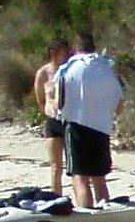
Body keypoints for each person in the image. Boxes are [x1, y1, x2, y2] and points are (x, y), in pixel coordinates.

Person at [56, 43, 127, 205]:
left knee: (79, 177)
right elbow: (120, 106)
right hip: (102, 127)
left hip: (76, 125)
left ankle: (86, 213)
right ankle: (104, 211)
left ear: (75, 48)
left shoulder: (69, 68)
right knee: (99, 178)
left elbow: (59, 102)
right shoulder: (108, 67)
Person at [32, 43, 74, 197]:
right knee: (56, 166)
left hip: (70, 119)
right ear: (53, 53)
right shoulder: (43, 73)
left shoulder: (71, 70)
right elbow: (41, 100)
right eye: (64, 53)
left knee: (75, 166)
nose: (67, 56)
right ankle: (57, 198)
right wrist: (49, 110)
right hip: (53, 121)